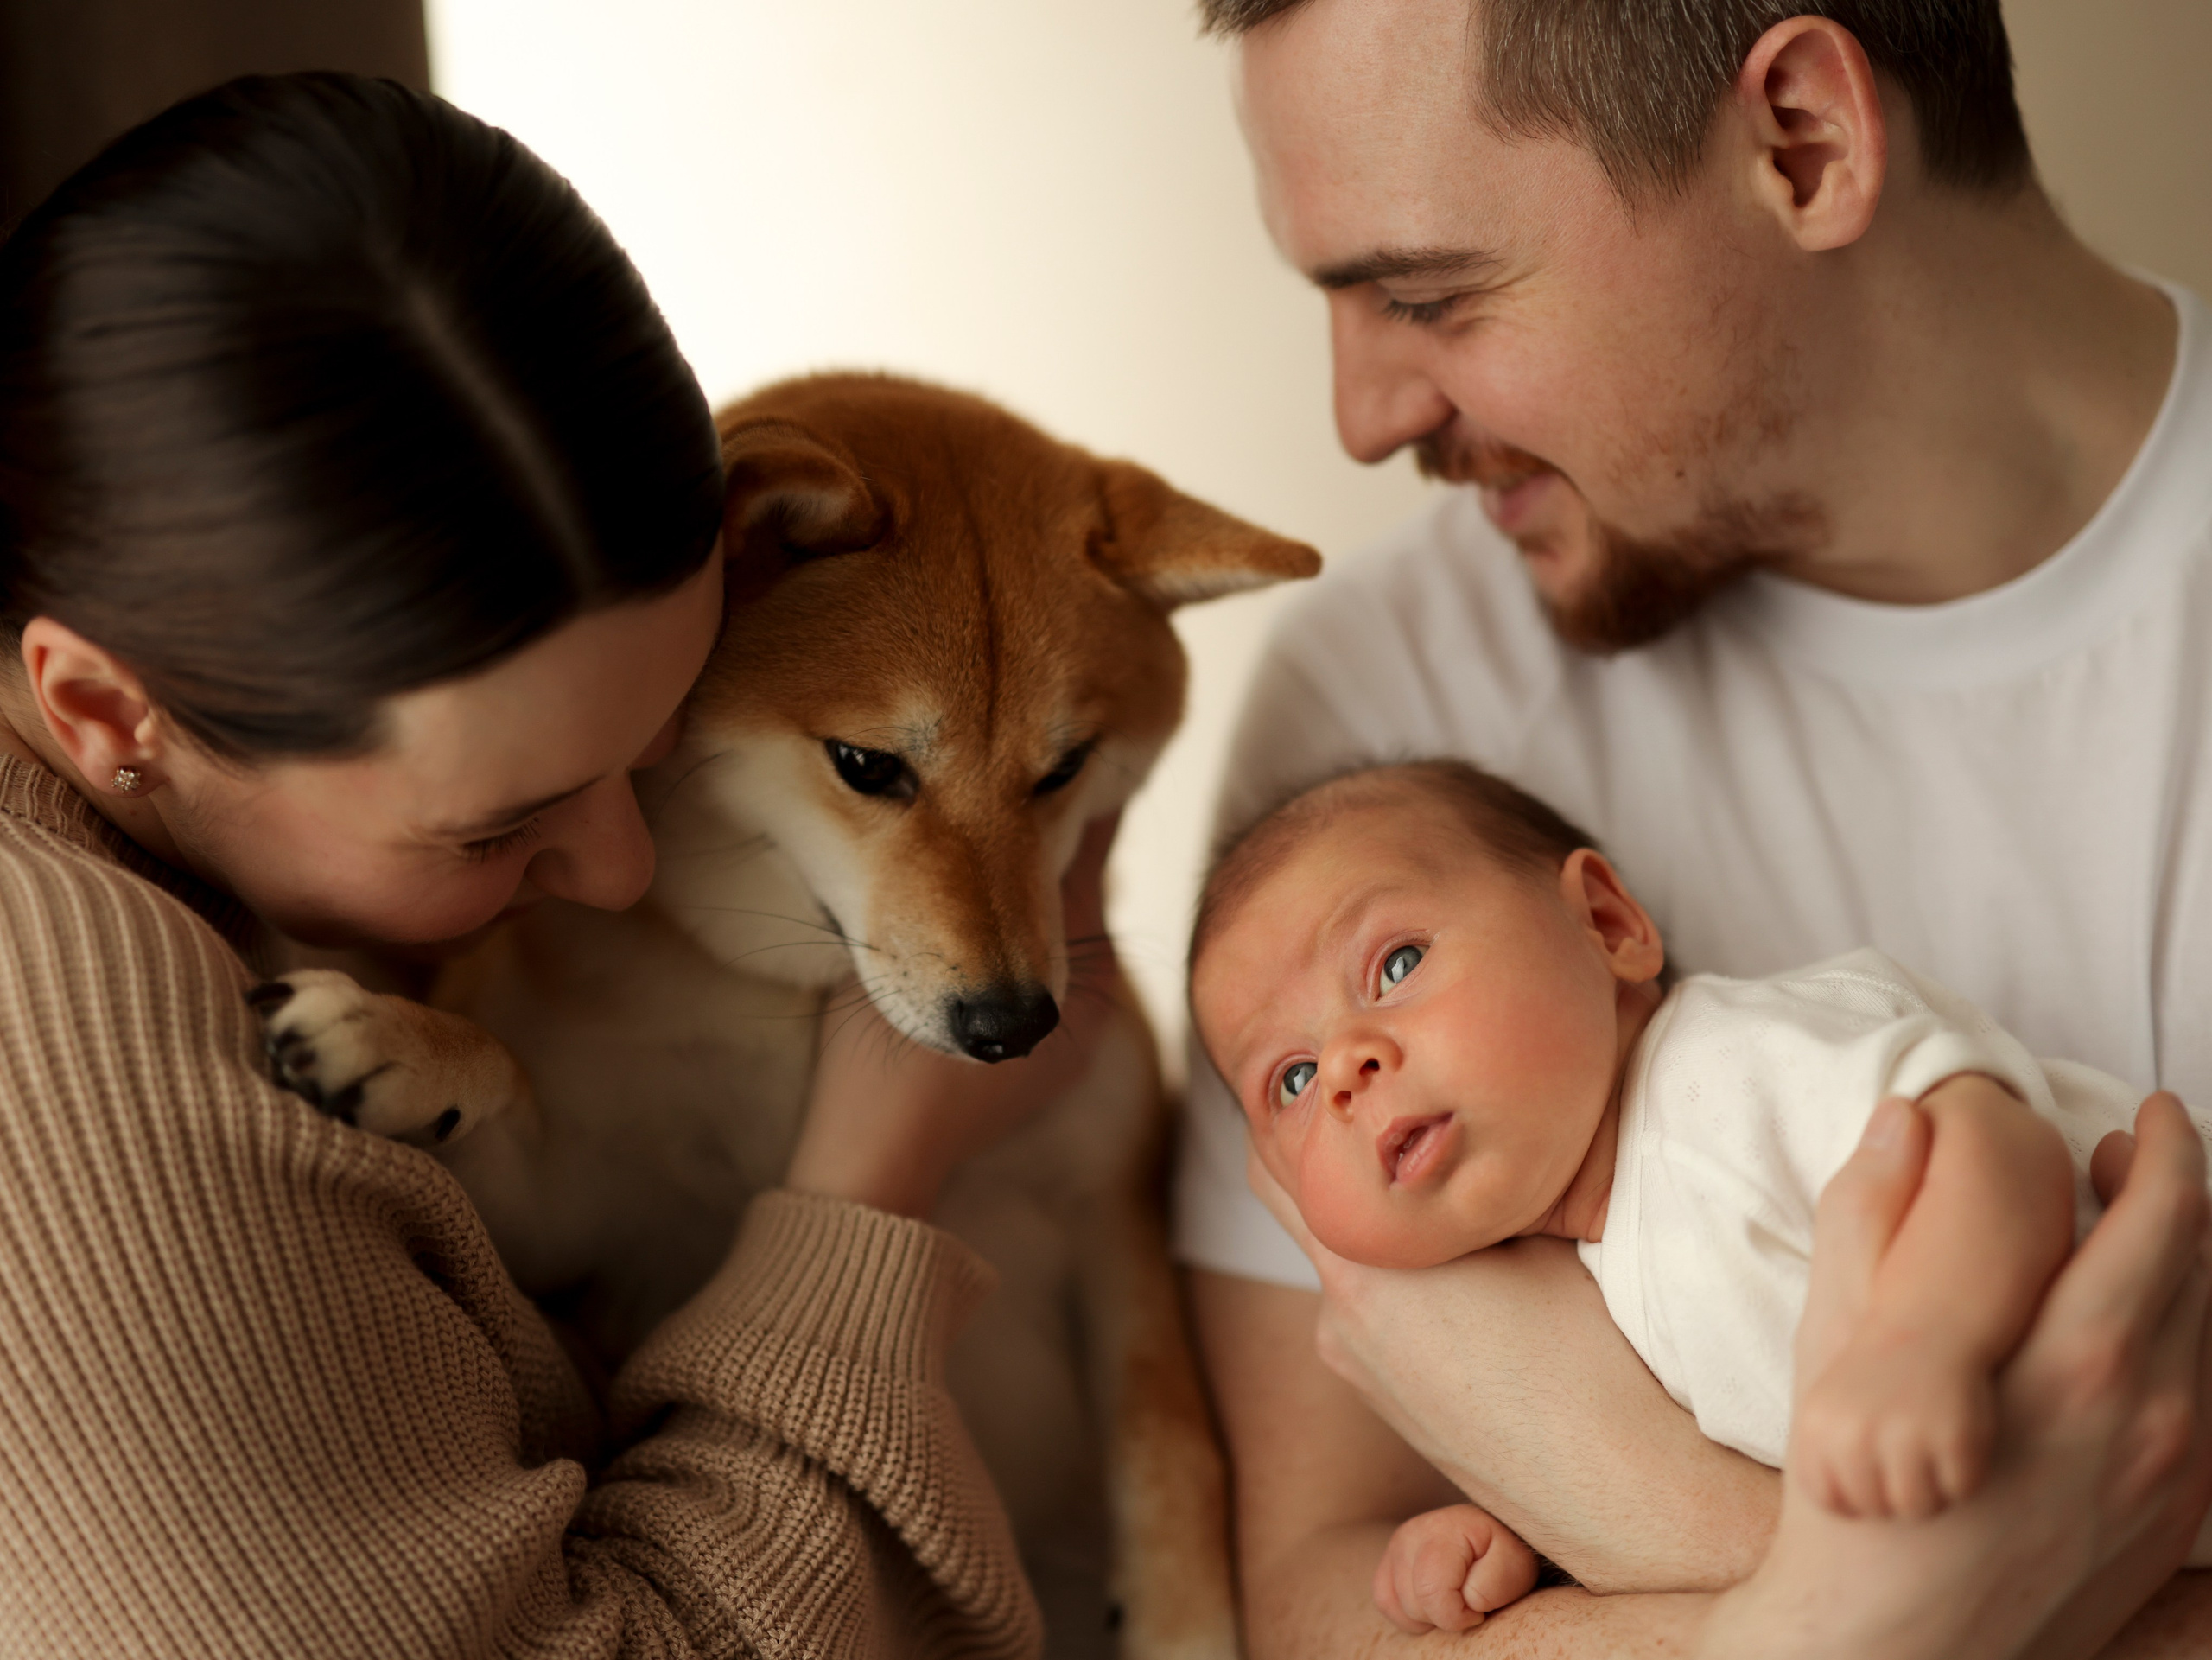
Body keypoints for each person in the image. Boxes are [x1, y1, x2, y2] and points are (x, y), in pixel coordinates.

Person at [0, 72, 1088, 1657]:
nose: (624, 868)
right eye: (500, 824)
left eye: (655, 752)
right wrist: (873, 1180)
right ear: (103, 712)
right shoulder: (66, 1087)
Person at [1175, 0, 2212, 1651]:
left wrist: (1648, 1522)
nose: (1361, 417)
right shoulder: (1379, 744)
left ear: (1801, 142)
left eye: (1429, 293)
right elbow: (1317, 1605)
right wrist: (1829, 1620)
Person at [1188, 759, 2212, 1634]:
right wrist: (1522, 1540)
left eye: (1395, 963)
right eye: (1285, 1079)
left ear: (1605, 922)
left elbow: (1988, 1144)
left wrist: (1922, 1340)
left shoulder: (1725, 1069)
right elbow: (1695, 1475)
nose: (1343, 1069)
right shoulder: (1565, 1300)